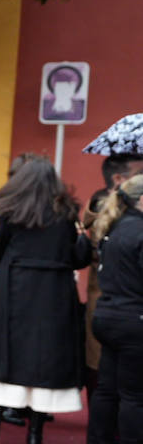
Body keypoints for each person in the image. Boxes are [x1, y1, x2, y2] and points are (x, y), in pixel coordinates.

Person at [0, 154, 92, 444]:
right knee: (44, 363)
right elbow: (79, 258)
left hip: (14, 292)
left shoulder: (12, 213)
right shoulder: (67, 213)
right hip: (55, 296)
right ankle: (35, 440)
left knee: (4, 359)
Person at [85, 174, 143, 444]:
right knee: (134, 396)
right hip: (134, 317)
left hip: (107, 315)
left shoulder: (113, 228)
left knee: (107, 390)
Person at [83, 153, 143, 396]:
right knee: (108, 380)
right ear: (119, 179)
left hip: (113, 307)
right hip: (115, 303)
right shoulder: (105, 209)